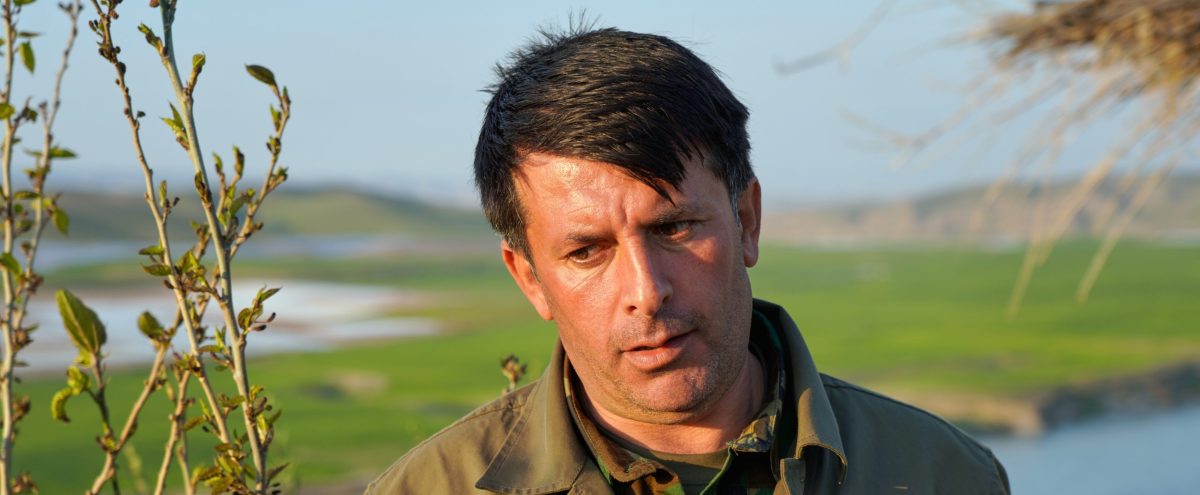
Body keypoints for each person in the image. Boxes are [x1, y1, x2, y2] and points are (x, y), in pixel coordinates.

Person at [366, 27, 1010, 495]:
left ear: (746, 221)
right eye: (586, 251)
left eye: (674, 227)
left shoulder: (944, 475)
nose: (646, 291)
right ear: (530, 278)